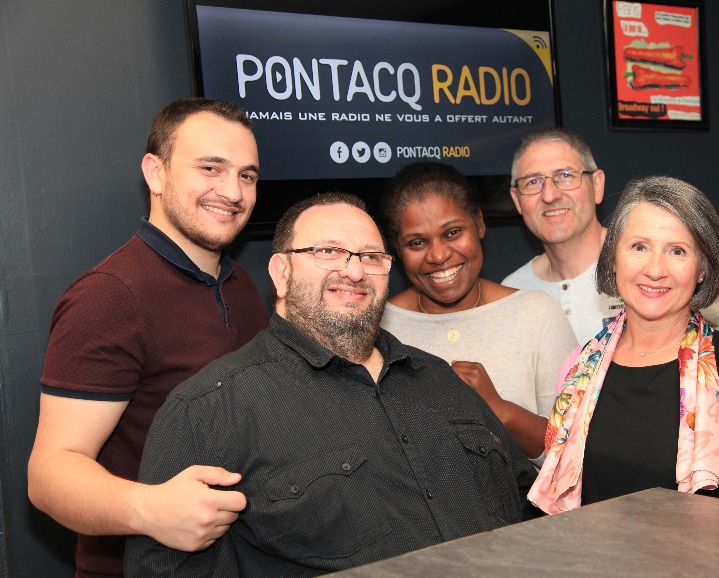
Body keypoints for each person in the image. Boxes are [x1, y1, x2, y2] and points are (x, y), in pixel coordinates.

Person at [124, 193, 540, 576]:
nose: (355, 271)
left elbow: (531, 513)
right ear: (281, 273)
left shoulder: (440, 380)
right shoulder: (209, 411)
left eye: (371, 256)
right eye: (328, 252)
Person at [28, 98, 270, 577]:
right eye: (210, 168)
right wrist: (152, 509)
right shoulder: (109, 296)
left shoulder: (240, 284)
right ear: (155, 174)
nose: (233, 191)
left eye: (247, 175)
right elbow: (49, 474)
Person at [528, 176, 719, 513]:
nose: (655, 270)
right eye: (639, 247)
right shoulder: (578, 368)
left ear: (702, 269)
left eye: (677, 251)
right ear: (613, 258)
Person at [503, 128, 719, 397]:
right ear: (517, 200)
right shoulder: (512, 293)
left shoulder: (657, 268)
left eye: (565, 176)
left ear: (597, 185)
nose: (550, 195)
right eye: (533, 182)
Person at [379, 162, 578, 459]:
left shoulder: (537, 314)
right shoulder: (378, 329)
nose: (438, 255)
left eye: (452, 232)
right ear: (397, 249)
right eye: (417, 242)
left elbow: (576, 450)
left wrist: (499, 411)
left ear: (479, 225)